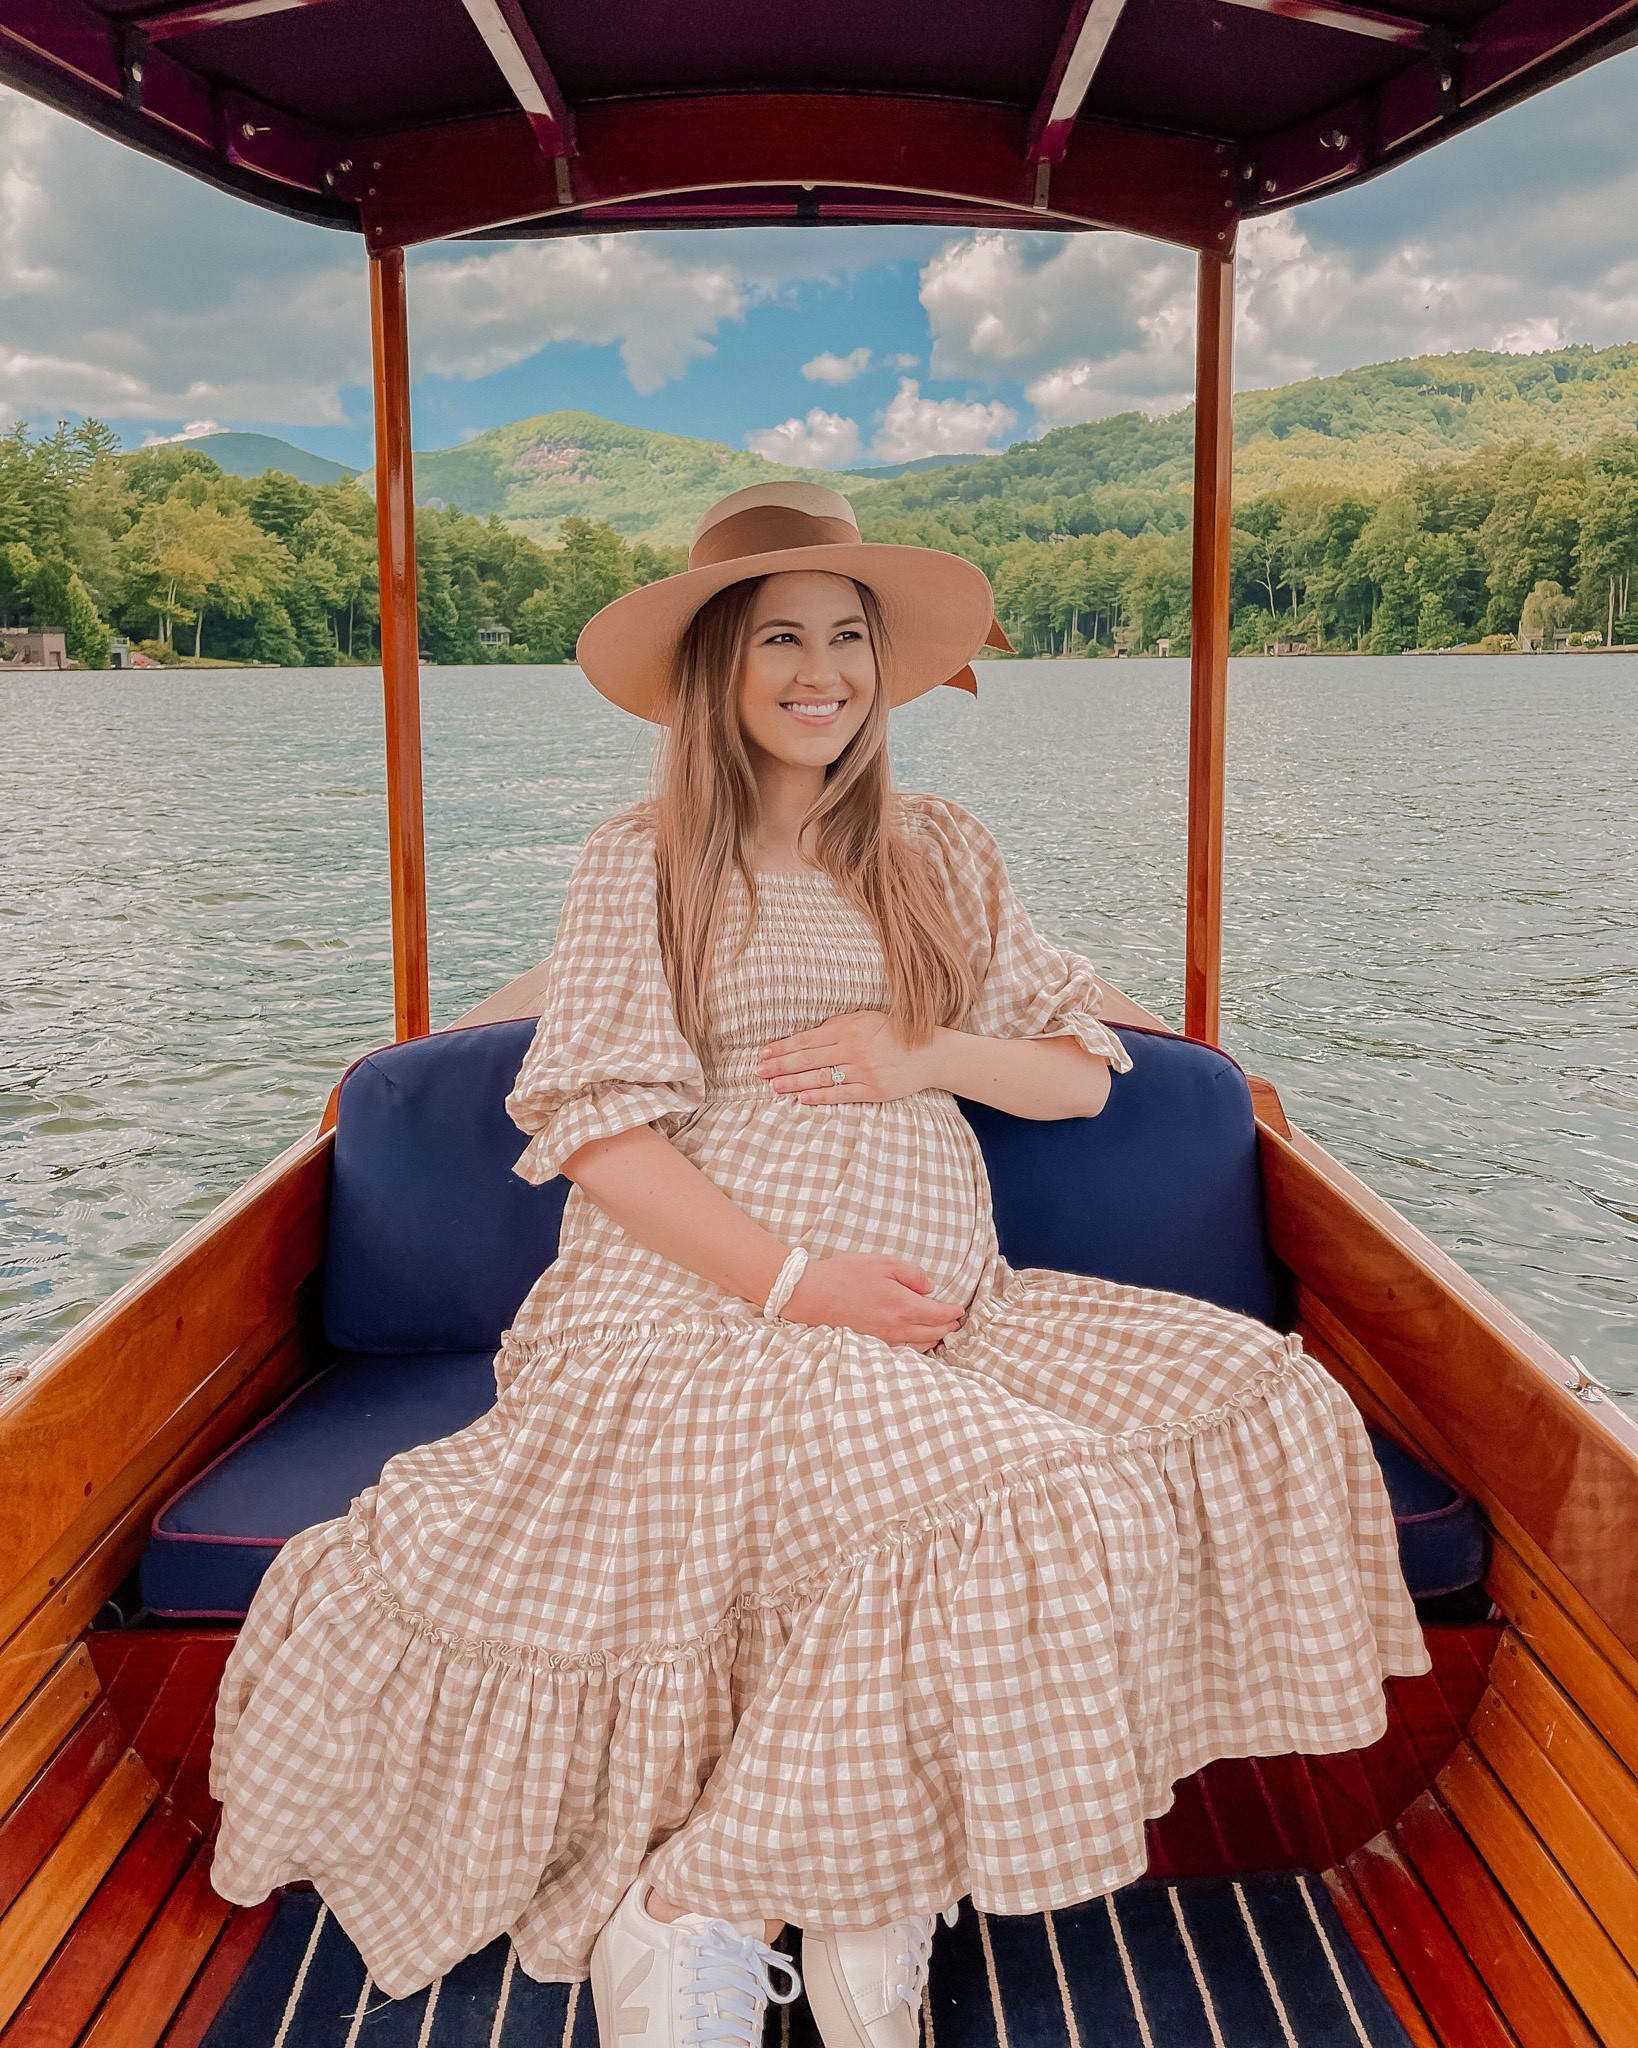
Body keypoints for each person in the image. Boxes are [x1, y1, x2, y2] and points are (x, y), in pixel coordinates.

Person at [211, 482, 1427, 2047]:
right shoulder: (639, 862)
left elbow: (1074, 1070)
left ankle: (822, 1882)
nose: (821, 668)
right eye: (780, 635)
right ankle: (715, 1904)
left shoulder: (942, 852)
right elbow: (600, 1139)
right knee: (1035, 1500)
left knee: (1262, 1393)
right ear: (716, 666)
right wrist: (799, 1284)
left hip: (953, 1313)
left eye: (846, 637)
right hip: (705, 1314)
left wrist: (924, 1049)